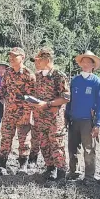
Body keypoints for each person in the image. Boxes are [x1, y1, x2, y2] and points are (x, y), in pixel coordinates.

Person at [0, 47, 35, 175]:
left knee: (24, 140)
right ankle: (1, 164)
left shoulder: (29, 75)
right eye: (10, 56)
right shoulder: (8, 72)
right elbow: (3, 88)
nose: (11, 58)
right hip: (9, 112)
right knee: (5, 138)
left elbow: (32, 97)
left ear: (22, 57)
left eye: (14, 56)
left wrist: (27, 114)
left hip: (23, 113)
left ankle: (23, 165)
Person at [30, 48, 70, 180]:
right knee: (44, 143)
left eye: (38, 60)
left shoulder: (59, 76)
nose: (36, 63)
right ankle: (50, 168)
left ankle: (61, 173)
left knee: (56, 144)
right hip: (40, 117)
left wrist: (47, 104)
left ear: (47, 60)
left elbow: (65, 98)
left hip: (54, 119)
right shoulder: (38, 76)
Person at [65, 50, 100, 181]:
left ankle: (89, 176)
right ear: (80, 63)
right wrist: (66, 116)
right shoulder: (75, 81)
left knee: (89, 149)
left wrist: (98, 124)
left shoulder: (97, 83)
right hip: (74, 119)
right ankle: (74, 171)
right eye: (84, 61)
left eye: (89, 61)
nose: (86, 64)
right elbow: (69, 101)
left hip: (88, 121)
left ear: (93, 65)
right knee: (72, 147)